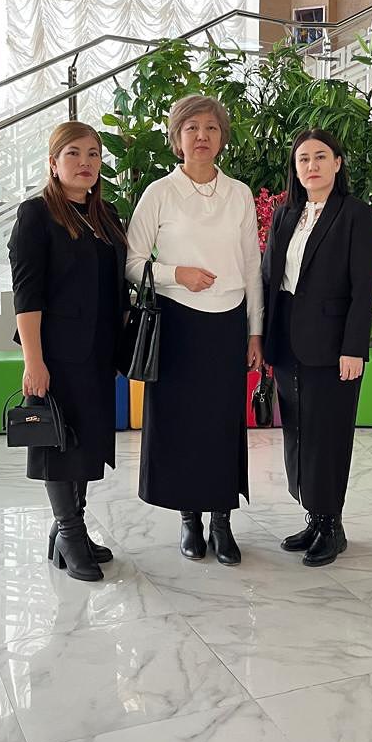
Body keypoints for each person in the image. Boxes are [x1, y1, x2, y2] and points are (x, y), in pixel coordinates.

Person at [126, 95, 263, 565]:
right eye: (191, 128)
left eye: (211, 127)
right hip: (177, 323)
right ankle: (189, 519)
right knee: (181, 424)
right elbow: (132, 263)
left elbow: (252, 267)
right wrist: (175, 274)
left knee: (222, 424)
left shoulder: (239, 194)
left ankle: (222, 520)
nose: (201, 136)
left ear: (222, 138)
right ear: (177, 138)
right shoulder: (159, 193)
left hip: (228, 323)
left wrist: (255, 331)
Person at [7, 121, 128, 581]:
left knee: (86, 444)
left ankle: (67, 530)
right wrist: (33, 361)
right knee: (59, 443)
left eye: (93, 154)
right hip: (55, 354)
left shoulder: (105, 215)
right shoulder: (36, 215)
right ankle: (70, 533)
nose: (85, 163)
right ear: (53, 164)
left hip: (97, 353)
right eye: (73, 153)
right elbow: (27, 295)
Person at [261, 128, 372, 567]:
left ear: (337, 163)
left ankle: (332, 525)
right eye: (303, 159)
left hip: (333, 346)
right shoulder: (286, 214)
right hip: (287, 340)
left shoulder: (356, 215)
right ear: (296, 169)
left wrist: (354, 348)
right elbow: (270, 279)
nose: (311, 166)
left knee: (328, 435)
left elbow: (364, 287)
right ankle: (313, 516)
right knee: (297, 432)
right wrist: (262, 338)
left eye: (320, 157)